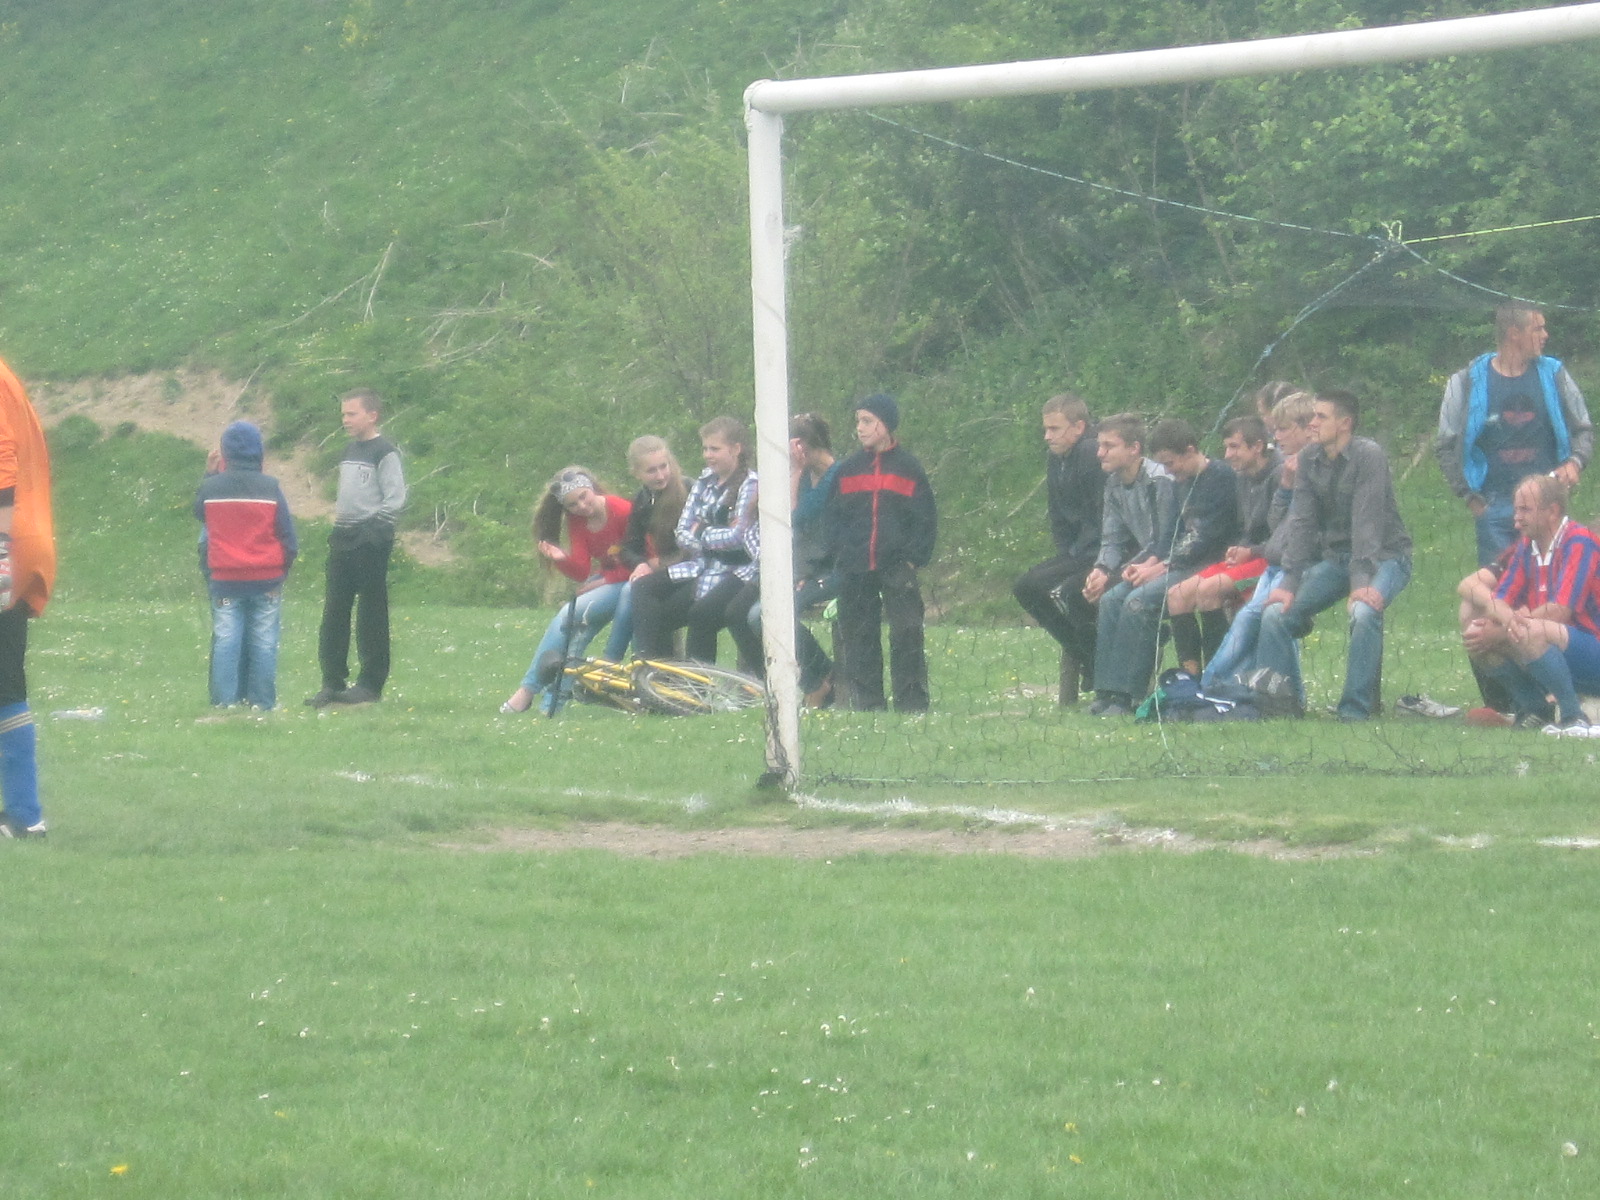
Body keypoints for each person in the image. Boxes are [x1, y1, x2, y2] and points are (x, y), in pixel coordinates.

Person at [1257, 389, 1412, 721]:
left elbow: (1367, 523)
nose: (1312, 423)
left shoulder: (1369, 456)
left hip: (1384, 556)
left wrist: (1361, 583)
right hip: (1337, 558)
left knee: (1364, 611)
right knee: (1274, 614)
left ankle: (1356, 710)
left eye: (1320, 416)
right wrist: (1288, 581)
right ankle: (1280, 708)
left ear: (1345, 423)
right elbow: (1301, 523)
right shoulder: (1309, 459)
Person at [1090, 417, 1236, 713]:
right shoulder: (1179, 482)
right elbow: (1166, 536)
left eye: (1171, 463)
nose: (1168, 471)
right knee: (1111, 599)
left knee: (1139, 601)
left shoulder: (1220, 477)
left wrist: (1160, 568)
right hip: (1175, 564)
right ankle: (1107, 691)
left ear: (1190, 450)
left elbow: (1203, 538)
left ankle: (1130, 694)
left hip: (1208, 564)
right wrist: (1146, 564)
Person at [1437, 302, 1592, 568]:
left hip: (1547, 505)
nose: (1545, 335)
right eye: (1538, 329)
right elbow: (1445, 446)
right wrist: (1469, 496)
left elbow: (1583, 429)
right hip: (1493, 506)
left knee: (1552, 585)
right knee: (1501, 590)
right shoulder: (1464, 382)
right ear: (1514, 333)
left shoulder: (1555, 375)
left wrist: (1574, 462)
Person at [1457, 474, 1600, 734]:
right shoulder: (1527, 546)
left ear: (1552, 512)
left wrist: (1504, 629)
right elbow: (1501, 599)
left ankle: (1573, 716)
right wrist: (1498, 623)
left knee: (1531, 630)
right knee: (1478, 633)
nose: (1516, 518)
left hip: (1593, 649)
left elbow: (1559, 611)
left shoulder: (1580, 541)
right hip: (1558, 648)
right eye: (1516, 509)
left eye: (1525, 510)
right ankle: (1535, 709)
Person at [827, 394, 937, 712]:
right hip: (855, 565)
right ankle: (868, 701)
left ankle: (911, 700)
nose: (860, 428)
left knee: (907, 629)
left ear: (886, 425)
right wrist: (840, 552)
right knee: (859, 632)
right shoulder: (848, 469)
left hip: (896, 563)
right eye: (858, 421)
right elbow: (832, 516)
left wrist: (914, 557)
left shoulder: (908, 468)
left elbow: (925, 516)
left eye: (867, 421)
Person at [1201, 391, 1315, 689]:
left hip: (1290, 563)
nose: (1277, 437)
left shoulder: (1312, 469)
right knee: (1252, 616)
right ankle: (1266, 690)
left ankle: (1212, 684)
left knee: (1257, 615)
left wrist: (1255, 551)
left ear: (1307, 429)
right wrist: (1286, 487)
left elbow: (1301, 531)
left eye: (1283, 429)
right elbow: (1277, 524)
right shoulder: (1287, 470)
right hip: (1275, 562)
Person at [501, 467, 633, 716]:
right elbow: (582, 571)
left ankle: (530, 691)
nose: (582, 506)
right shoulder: (577, 521)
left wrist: (603, 581)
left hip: (630, 582)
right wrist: (561, 558)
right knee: (576, 627)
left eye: (584, 497)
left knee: (568, 617)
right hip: (609, 580)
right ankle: (550, 703)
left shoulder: (621, 510)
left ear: (591, 488)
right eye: (572, 505)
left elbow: (644, 559)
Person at [630, 416, 761, 667]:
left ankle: (697, 682)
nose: (707, 455)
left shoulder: (750, 484)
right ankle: (651, 666)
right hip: (701, 565)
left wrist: (700, 531)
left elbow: (738, 538)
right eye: (705, 448)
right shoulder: (705, 481)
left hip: (735, 569)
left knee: (700, 614)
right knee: (644, 589)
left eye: (714, 449)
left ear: (736, 449)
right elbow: (682, 531)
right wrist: (708, 534)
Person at [727, 412, 843, 694]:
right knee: (744, 613)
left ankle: (820, 678)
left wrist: (794, 471)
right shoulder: (806, 476)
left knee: (763, 615)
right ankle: (803, 679)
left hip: (829, 568)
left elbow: (793, 519)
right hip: (802, 565)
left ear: (802, 447)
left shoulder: (835, 477)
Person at [306, 389, 407, 707]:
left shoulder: (384, 452)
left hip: (369, 539)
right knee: (335, 610)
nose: (345, 420)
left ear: (372, 416)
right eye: (343, 414)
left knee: (371, 611)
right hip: (343, 536)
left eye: (352, 414)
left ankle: (370, 684)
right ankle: (332, 682)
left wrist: (375, 531)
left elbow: (395, 497)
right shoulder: (349, 450)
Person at [1166, 415, 1281, 676]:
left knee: (1209, 590)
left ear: (1257, 446)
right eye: (1226, 447)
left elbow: (1284, 535)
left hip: (1270, 558)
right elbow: (1242, 529)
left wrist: (1251, 550)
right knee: (1177, 594)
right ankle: (1191, 678)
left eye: (1234, 447)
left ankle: (1217, 677)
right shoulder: (1241, 477)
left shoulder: (1279, 476)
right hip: (1245, 555)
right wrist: (1239, 548)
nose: (1227, 455)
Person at [194, 421, 298, 710]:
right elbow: (287, 535)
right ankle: (262, 702)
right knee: (264, 641)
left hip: (225, 577)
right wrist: (282, 569)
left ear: (225, 453)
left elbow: (199, 512)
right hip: (266, 577)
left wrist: (210, 474)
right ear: (259, 452)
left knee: (227, 639)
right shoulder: (270, 487)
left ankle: (224, 702)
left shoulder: (212, 487)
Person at [1011, 393, 1103, 683]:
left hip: (1099, 550)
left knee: (1056, 590)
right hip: (1077, 550)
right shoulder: (1057, 457)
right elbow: (1058, 513)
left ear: (1079, 427)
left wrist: (1085, 555)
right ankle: (1088, 656)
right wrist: (1066, 551)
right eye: (1045, 429)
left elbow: (1099, 512)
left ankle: (1093, 659)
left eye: (1054, 429)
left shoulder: (1090, 452)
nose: (1047, 437)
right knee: (1027, 587)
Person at [0, 359, 54, 839]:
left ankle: (25, 813)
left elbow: (3, 461)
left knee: (5, 683)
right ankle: (23, 812)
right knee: (6, 682)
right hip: (21, 542)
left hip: (7, 544)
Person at [604, 435, 691, 663]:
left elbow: (698, 546)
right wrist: (641, 564)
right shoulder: (643, 499)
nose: (660, 475)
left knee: (642, 594)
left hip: (694, 570)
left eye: (664, 466)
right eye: (652, 471)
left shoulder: (689, 491)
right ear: (637, 473)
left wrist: (660, 564)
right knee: (642, 594)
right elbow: (628, 548)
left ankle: (635, 660)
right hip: (667, 575)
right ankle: (652, 666)